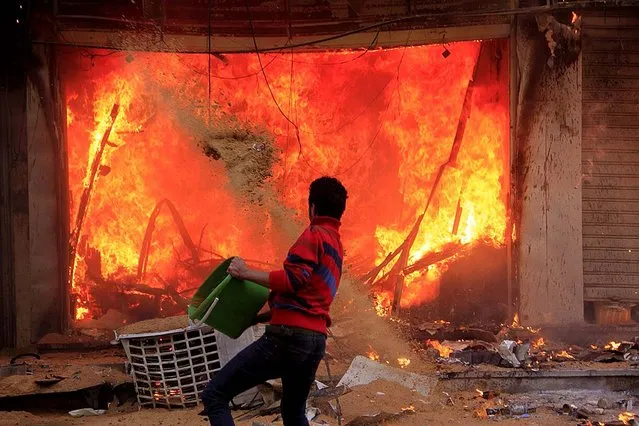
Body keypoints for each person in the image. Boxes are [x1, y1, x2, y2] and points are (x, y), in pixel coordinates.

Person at [201, 176, 348, 426]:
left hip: (287, 341)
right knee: (293, 413)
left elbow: (294, 279)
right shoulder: (336, 245)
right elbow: (307, 298)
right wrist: (257, 319)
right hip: (314, 343)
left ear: (312, 208)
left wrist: (244, 273)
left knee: (215, 394)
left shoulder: (314, 234)